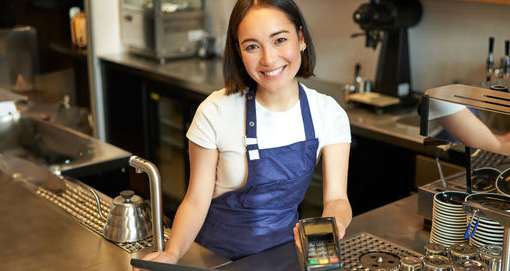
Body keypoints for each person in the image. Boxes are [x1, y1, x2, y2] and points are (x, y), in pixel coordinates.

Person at [137, 0, 352, 264]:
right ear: (238, 52)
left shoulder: (329, 113)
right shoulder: (215, 111)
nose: (268, 58)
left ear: (301, 39)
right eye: (252, 46)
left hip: (285, 256)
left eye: (280, 39)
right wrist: (172, 253)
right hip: (216, 258)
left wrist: (333, 224)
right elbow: (195, 201)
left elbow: (337, 199)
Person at [429, 99, 510, 160]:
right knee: (442, 103)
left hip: (459, 141)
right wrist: (498, 147)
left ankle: (499, 141)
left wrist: (502, 139)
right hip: (447, 150)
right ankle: (503, 148)